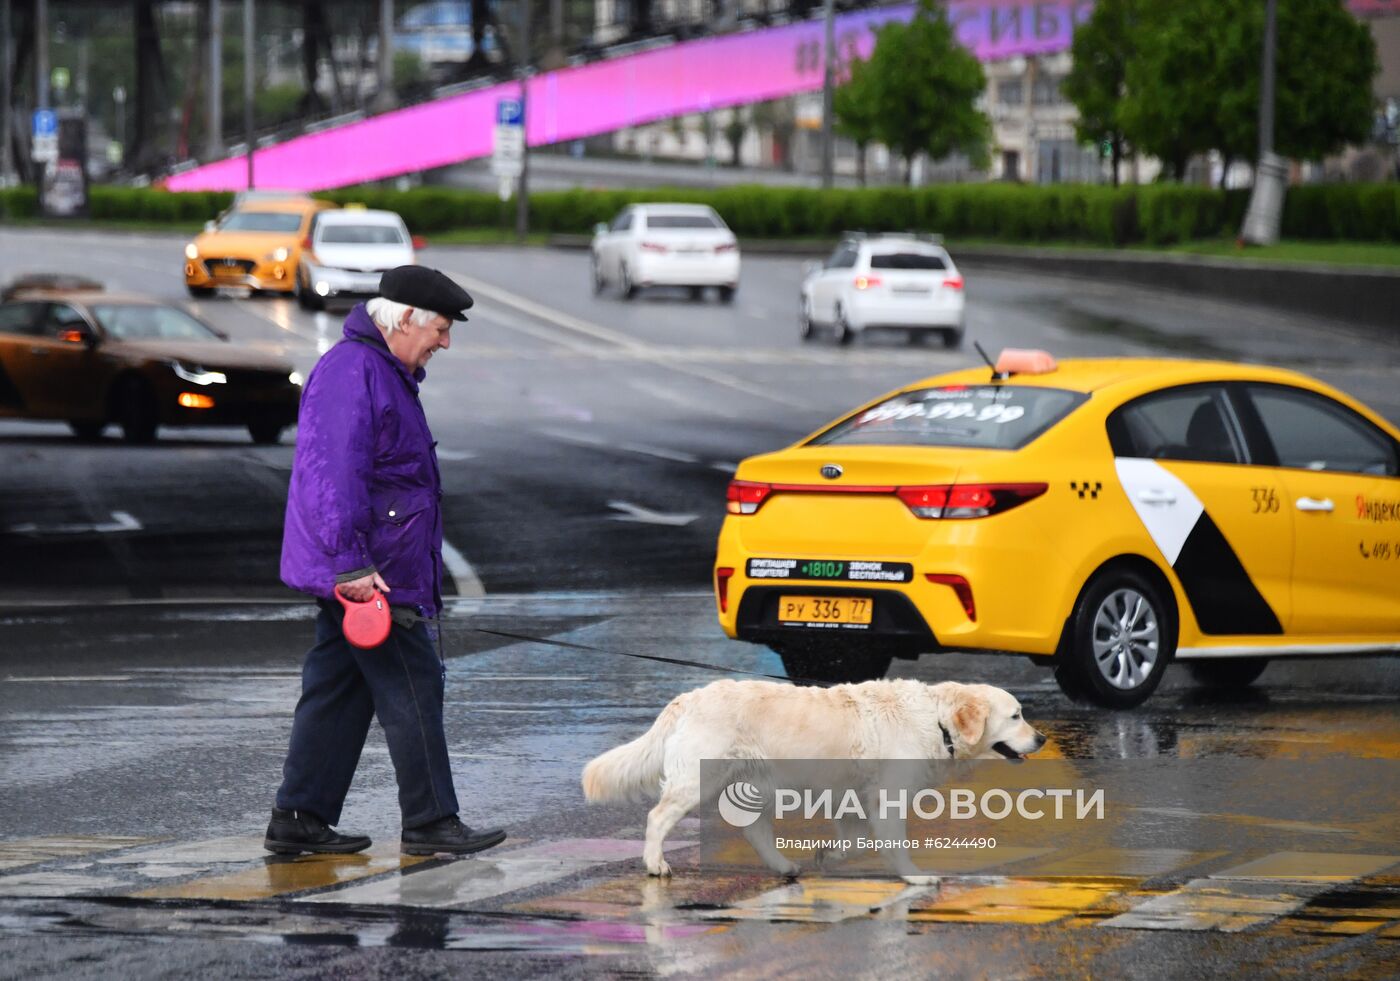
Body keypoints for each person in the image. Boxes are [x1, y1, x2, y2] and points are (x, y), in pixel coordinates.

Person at [266, 265, 506, 858]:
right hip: (372, 572)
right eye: (441, 329)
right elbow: (333, 476)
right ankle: (431, 820)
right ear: (404, 321)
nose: (445, 342)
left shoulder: (379, 369)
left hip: (374, 564)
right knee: (414, 684)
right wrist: (351, 566)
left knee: (338, 691)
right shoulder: (355, 371)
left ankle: (298, 817)